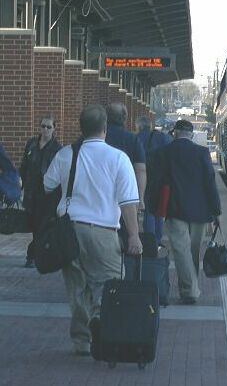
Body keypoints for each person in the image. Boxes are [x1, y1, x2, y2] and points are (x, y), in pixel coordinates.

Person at [44, 104, 142, 356]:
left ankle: (81, 341)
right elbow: (128, 201)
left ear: (81, 128)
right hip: (103, 231)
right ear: (105, 129)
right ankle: (102, 323)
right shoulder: (118, 158)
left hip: (69, 230)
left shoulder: (67, 154)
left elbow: (47, 185)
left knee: (77, 287)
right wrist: (133, 235)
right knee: (109, 283)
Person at [162, 119, 221, 304]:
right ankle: (190, 289)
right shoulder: (202, 152)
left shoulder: (164, 152)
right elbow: (210, 183)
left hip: (174, 208)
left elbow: (157, 182)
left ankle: (189, 288)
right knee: (193, 251)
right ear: (192, 134)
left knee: (181, 251)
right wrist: (216, 210)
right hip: (200, 211)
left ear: (175, 133)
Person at [19, 116, 62, 268]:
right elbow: (24, 166)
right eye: (43, 126)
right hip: (31, 193)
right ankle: (36, 254)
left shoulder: (57, 149)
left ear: (54, 129)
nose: (45, 130)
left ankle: (32, 256)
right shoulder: (31, 144)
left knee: (40, 225)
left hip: (47, 194)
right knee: (33, 225)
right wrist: (20, 186)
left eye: (49, 127)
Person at [105, 102, 146, 232]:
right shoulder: (132, 140)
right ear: (125, 118)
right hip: (126, 196)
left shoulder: (97, 137)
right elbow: (140, 170)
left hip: (99, 194)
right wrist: (140, 198)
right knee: (127, 234)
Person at [135, 115, 172, 244]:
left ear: (138, 127)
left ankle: (150, 239)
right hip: (161, 179)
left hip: (143, 179)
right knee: (159, 210)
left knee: (148, 210)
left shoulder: (136, 138)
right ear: (150, 126)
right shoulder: (162, 137)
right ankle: (158, 238)